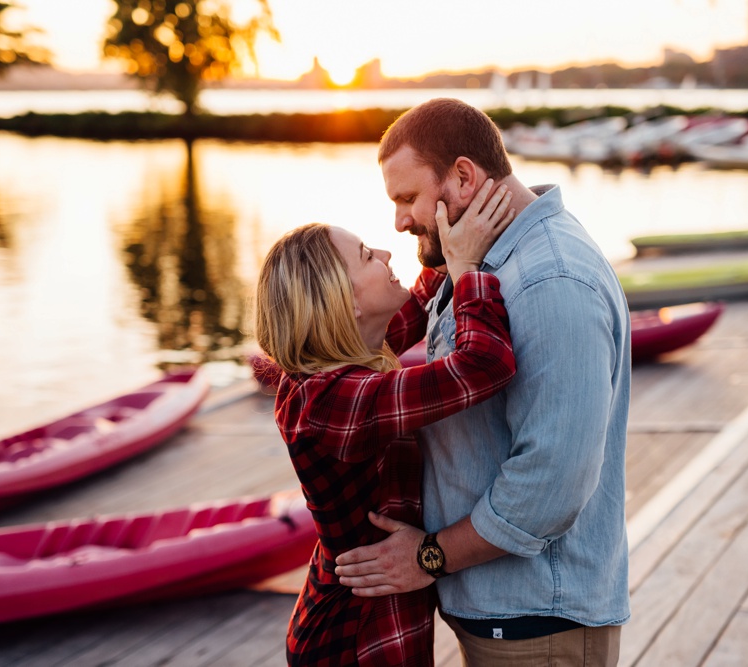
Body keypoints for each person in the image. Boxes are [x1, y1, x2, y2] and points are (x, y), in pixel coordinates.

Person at [334, 98, 632, 666]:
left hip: (537, 625)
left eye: (407, 199)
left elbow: (550, 485)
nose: (398, 221)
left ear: (464, 177)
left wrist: (426, 556)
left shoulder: (550, 281)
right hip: (501, 615)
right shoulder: (477, 259)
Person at [253, 180, 518, 666]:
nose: (383, 250)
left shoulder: (336, 360)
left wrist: (446, 238)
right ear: (344, 303)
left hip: (371, 603)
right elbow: (485, 365)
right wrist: (469, 270)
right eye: (365, 256)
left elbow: (415, 304)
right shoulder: (333, 401)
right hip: (354, 635)